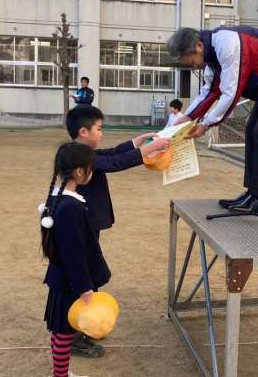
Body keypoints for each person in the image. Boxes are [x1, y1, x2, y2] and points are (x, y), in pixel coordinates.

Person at [167, 26, 258, 213]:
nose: (194, 66)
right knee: (252, 129)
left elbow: (230, 94)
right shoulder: (211, 57)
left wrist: (206, 124)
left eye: (191, 61)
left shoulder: (227, 44)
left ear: (199, 46)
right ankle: (252, 193)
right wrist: (187, 117)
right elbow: (209, 91)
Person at [65, 105, 169, 357]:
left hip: (88, 223)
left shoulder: (83, 152)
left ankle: (86, 323)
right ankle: (76, 334)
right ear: (83, 132)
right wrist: (148, 150)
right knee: (83, 275)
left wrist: (135, 142)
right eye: (99, 129)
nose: (102, 133)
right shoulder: (79, 156)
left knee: (89, 272)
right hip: (84, 223)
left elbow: (110, 154)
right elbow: (114, 163)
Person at [41, 141, 110, 377]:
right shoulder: (70, 207)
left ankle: (60, 373)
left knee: (60, 330)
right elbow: (74, 253)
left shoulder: (59, 198)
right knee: (65, 332)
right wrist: (84, 287)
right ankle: (60, 375)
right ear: (80, 172)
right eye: (91, 168)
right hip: (71, 283)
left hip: (63, 278)